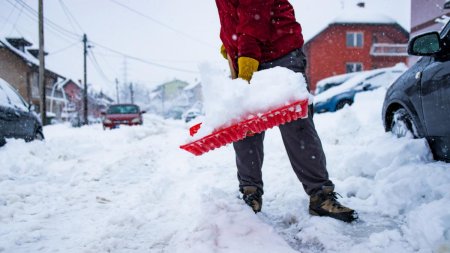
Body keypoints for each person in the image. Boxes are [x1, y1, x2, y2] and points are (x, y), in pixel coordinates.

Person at [215, 0, 357, 223]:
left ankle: (321, 195)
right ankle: (250, 193)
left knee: (297, 126)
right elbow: (231, 13)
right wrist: (230, 43)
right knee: (245, 128)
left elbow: (255, 12)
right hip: (245, 50)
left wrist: (246, 52)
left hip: (280, 52)